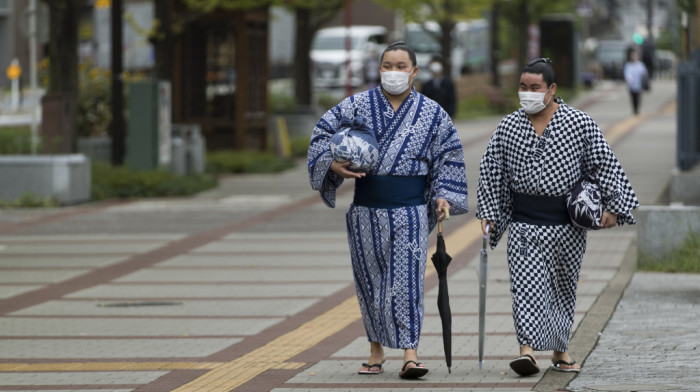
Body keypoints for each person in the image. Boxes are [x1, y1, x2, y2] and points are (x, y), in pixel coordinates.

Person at [307, 41, 468, 379]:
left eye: (400, 66)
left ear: (414, 71)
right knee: (371, 282)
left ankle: (411, 353)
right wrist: (333, 165)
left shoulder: (432, 113)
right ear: (379, 70)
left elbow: (448, 156)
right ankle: (375, 349)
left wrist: (443, 196)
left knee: (407, 281)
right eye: (387, 66)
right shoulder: (357, 105)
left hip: (409, 210)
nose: (393, 72)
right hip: (366, 207)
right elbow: (321, 133)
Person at [476, 58, 639, 377]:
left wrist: (613, 207)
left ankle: (560, 351)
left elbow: (603, 164)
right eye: (522, 87)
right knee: (526, 286)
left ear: (551, 89)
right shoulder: (508, 126)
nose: (527, 94)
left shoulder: (580, 123)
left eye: (534, 88)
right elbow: (491, 171)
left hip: (567, 224)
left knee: (562, 289)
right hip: (524, 224)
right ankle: (526, 350)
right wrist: (491, 214)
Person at [623, 48, 649, 115]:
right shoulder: (628, 65)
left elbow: (644, 73)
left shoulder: (640, 65)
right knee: (633, 97)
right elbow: (626, 74)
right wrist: (629, 79)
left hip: (639, 84)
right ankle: (634, 109)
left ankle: (637, 109)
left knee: (638, 97)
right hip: (631, 85)